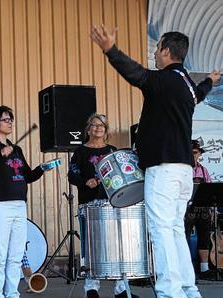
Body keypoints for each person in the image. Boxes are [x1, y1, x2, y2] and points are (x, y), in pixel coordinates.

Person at [91, 25, 220, 297]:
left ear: (166, 51)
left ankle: (169, 292)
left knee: (161, 229)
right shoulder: (187, 85)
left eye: (158, 47)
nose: (155, 54)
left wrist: (110, 50)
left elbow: (136, 74)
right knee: (173, 228)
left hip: (163, 168)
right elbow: (201, 92)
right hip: (184, 169)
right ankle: (187, 288)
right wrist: (210, 79)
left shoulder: (164, 80)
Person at [0, 105, 50, 298]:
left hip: (19, 205)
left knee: (15, 255)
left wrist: (42, 168)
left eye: (11, 119)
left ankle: (12, 293)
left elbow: (27, 176)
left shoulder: (17, 149)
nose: (10, 122)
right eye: (6, 119)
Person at [68, 114, 138, 298]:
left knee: (119, 246)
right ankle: (91, 288)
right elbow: (72, 175)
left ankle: (122, 289)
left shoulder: (112, 150)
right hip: (89, 204)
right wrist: (85, 182)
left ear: (106, 131)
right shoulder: (80, 152)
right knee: (91, 248)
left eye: (102, 126)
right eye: (95, 125)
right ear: (88, 129)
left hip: (113, 203)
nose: (98, 128)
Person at [185, 140, 215, 280]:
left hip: (203, 209)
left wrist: (210, 209)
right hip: (187, 209)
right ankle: (185, 268)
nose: (193, 155)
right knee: (183, 238)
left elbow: (210, 190)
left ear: (200, 154)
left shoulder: (204, 170)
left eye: (196, 153)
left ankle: (204, 269)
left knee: (204, 237)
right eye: (191, 153)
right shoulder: (183, 170)